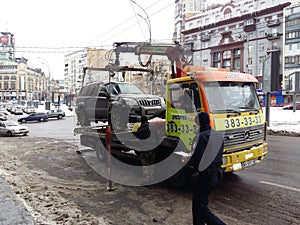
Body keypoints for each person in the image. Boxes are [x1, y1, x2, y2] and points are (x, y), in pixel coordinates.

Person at [189, 112, 226, 225]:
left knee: (200, 206)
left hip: (206, 176)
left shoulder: (201, 137)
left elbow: (198, 160)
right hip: (216, 174)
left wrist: (186, 163)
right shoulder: (218, 135)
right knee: (197, 203)